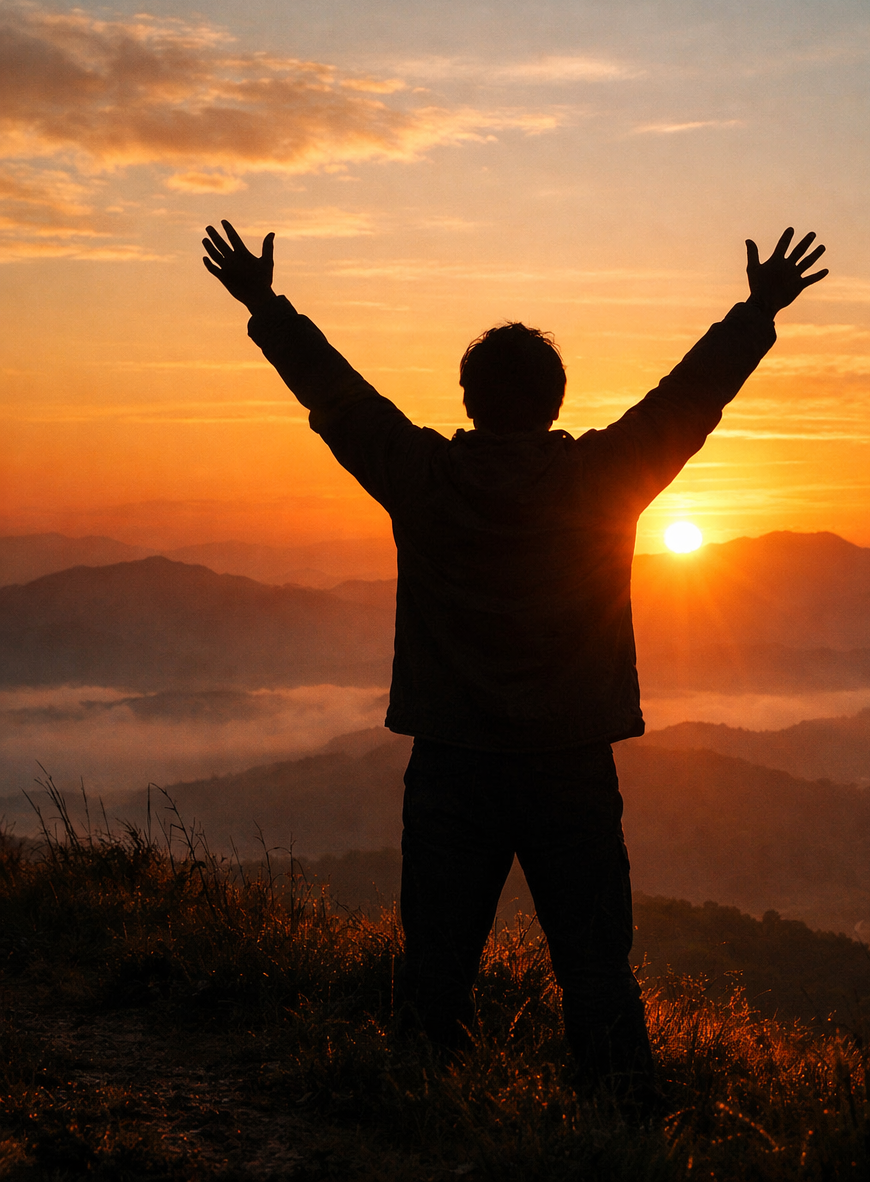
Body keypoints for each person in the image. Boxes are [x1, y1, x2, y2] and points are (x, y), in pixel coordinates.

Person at [202, 220, 827, 1093]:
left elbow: (337, 395)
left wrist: (265, 306)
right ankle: (619, 1136)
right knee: (597, 973)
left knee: (435, 976)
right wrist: (757, 312)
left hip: (452, 761)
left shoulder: (421, 476)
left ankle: (419, 1131)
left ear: (468, 398)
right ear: (557, 400)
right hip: (571, 762)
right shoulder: (602, 479)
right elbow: (688, 402)